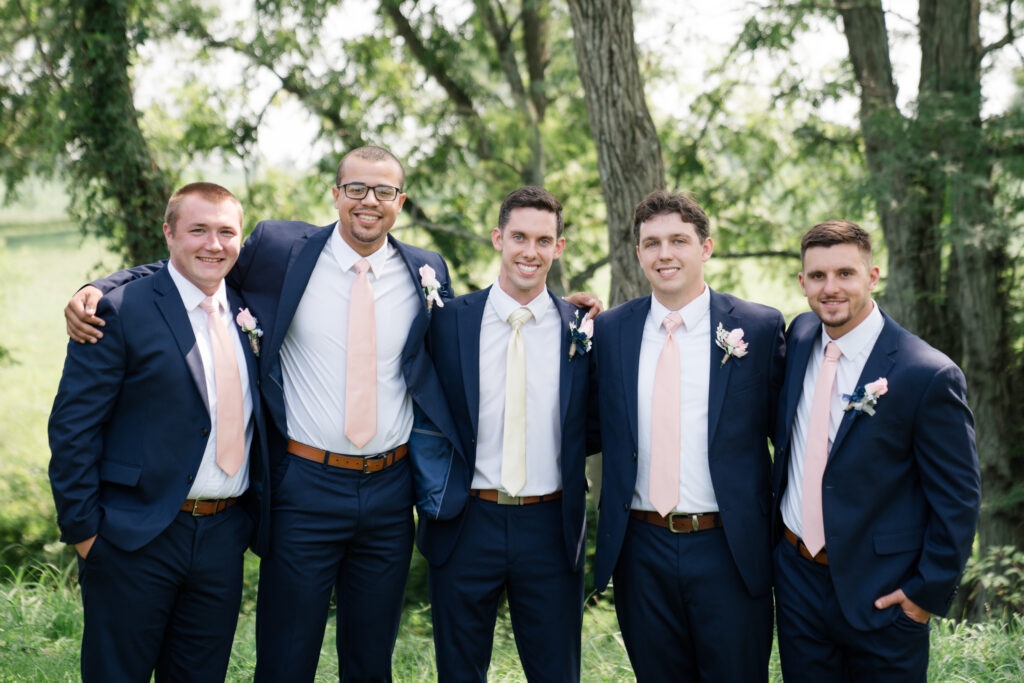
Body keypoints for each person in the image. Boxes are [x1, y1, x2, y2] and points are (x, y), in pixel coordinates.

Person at [63, 148, 600, 681]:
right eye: (357, 189)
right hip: (305, 488)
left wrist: (568, 314)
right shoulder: (280, 250)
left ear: (401, 201)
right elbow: (200, 259)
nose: (370, 201)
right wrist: (103, 288)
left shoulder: (426, 271)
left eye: (384, 191)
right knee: (285, 657)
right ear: (337, 194)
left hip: (390, 494)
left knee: (370, 661)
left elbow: (477, 338)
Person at [48, 182, 270, 681]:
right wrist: (84, 532)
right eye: (197, 230)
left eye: (226, 232)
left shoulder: (250, 309)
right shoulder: (119, 310)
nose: (213, 244)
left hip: (222, 535)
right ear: (168, 233)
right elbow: (72, 427)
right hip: (132, 536)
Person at [771, 219, 981, 681]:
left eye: (845, 273)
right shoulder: (801, 336)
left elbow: (958, 498)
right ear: (802, 282)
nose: (831, 288)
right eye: (818, 276)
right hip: (797, 581)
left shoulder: (926, 374)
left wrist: (924, 595)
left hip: (883, 593)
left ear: (872, 276)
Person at [592, 190, 785, 681]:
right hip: (640, 548)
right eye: (651, 243)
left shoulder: (759, 329)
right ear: (638, 254)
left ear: (706, 247)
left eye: (678, 240)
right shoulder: (610, 331)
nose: (664, 254)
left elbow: (789, 437)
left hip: (729, 546)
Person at [417, 186, 598, 682]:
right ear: (498, 238)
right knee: (459, 671)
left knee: (556, 672)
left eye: (544, 240)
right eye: (519, 236)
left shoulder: (582, 328)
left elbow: (598, 423)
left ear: (559, 248)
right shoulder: (448, 322)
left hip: (550, 524)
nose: (530, 251)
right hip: (465, 518)